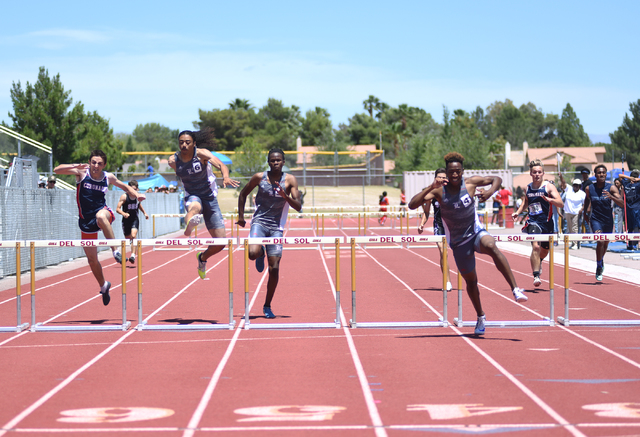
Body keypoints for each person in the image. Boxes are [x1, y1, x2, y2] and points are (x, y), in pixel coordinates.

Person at [408, 152, 527, 336]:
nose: (454, 175)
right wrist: (431, 186)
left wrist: (489, 192)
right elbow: (412, 204)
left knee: (491, 245)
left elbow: (496, 178)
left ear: (462, 171)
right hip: (458, 242)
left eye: (457, 171)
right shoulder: (439, 191)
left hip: (476, 232)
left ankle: (515, 289)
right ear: (446, 173)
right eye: (451, 172)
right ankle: (480, 316)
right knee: (471, 282)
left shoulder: (470, 183)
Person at [54, 149, 144, 306]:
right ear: (89, 162)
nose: (96, 166)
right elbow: (57, 170)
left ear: (104, 165)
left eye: (99, 163)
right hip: (86, 221)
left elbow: (124, 186)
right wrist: (76, 165)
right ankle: (104, 285)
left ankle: (115, 251)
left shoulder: (108, 177)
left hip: (103, 213)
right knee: (92, 260)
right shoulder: (82, 172)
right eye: (93, 162)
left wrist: (137, 196)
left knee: (101, 216)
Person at [236, 148, 302, 319]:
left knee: (274, 268)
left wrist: (284, 196)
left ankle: (267, 305)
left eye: (278, 160)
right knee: (252, 253)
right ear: (268, 162)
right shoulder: (260, 178)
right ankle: (260, 253)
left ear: (284, 162)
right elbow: (243, 194)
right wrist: (241, 216)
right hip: (259, 222)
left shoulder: (290, 180)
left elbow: (298, 206)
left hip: (276, 227)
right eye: (272, 161)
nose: (275, 163)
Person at [168, 129, 240, 279]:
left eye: (187, 142)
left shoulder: (202, 154)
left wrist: (225, 177)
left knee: (221, 242)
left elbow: (221, 166)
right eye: (181, 142)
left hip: (209, 197)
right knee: (194, 208)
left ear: (194, 143)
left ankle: (202, 258)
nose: (184, 145)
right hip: (193, 194)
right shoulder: (173, 161)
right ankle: (189, 227)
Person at [513, 159, 564, 287]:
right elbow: (526, 202)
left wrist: (550, 199)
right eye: (534, 172)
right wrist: (518, 212)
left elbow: (560, 203)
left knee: (544, 250)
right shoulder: (529, 188)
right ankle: (536, 275)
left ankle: (539, 261)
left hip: (547, 223)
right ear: (531, 173)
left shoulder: (548, 187)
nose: (537, 174)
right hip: (533, 222)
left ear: (543, 173)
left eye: (539, 172)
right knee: (535, 246)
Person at [584, 165, 624, 281]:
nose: (601, 174)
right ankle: (599, 265)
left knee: (605, 244)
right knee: (600, 241)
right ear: (595, 175)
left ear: (606, 175)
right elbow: (587, 199)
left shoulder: (611, 188)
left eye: (603, 173)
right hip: (596, 219)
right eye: (599, 173)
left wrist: (611, 197)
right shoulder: (589, 188)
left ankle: (600, 260)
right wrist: (585, 214)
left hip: (607, 219)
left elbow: (621, 204)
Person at [417, 168, 451, 291]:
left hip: (452, 226)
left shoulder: (451, 189)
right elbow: (426, 211)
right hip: (439, 225)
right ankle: (447, 281)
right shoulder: (431, 192)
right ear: (435, 178)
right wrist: (422, 224)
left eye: (444, 177)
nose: (442, 179)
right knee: (443, 252)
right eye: (440, 177)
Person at [116, 179, 149, 264]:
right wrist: (124, 213)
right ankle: (128, 254)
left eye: (134, 189)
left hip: (134, 219)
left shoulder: (137, 197)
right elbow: (117, 209)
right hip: (126, 220)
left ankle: (133, 255)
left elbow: (139, 205)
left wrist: (145, 213)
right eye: (131, 189)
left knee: (133, 236)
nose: (133, 191)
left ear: (137, 189)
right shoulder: (124, 196)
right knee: (128, 238)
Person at [559, 173, 586, 249]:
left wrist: (582, 209)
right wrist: (561, 176)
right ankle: (573, 242)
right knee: (570, 228)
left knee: (575, 228)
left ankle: (576, 244)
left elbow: (585, 203)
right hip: (568, 212)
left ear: (580, 186)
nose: (575, 186)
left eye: (577, 185)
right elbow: (563, 183)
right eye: (574, 185)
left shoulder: (582, 194)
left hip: (576, 213)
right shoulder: (569, 189)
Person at [619, 169, 640, 251]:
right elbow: (620, 176)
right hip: (629, 209)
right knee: (629, 228)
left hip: (637, 208)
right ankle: (630, 244)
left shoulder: (638, 185)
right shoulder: (626, 184)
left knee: (637, 227)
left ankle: (637, 244)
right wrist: (630, 178)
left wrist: (637, 179)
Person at [580, 169, 593, 233]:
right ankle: (587, 235)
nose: (584, 175)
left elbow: (591, 196)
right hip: (583, 204)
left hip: (588, 204)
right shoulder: (582, 184)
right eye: (583, 174)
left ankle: (590, 236)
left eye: (585, 174)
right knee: (584, 221)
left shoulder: (589, 183)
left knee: (589, 221)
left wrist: (589, 206)